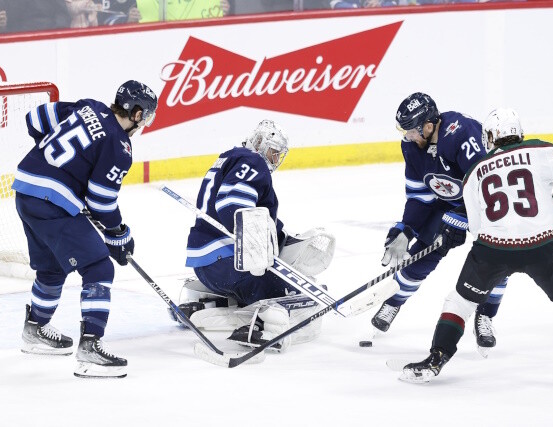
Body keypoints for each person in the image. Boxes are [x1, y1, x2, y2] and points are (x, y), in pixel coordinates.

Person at [399, 108, 553, 383]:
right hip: (543, 246)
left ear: (490, 137)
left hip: (493, 249)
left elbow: (477, 227)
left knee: (459, 303)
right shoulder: (540, 151)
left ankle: (436, 359)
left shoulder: (475, 172)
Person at [12, 80, 158, 378]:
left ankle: (35, 329)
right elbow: (102, 201)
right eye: (148, 115)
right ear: (138, 114)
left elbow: (35, 119)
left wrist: (54, 164)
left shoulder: (89, 106)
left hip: (26, 189)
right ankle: (90, 349)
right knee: (100, 269)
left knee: (52, 268)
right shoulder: (120, 146)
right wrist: (118, 232)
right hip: (52, 201)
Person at [177, 119, 335, 352]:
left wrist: (280, 236)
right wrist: (260, 250)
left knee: (253, 290)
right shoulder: (252, 161)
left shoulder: (230, 157)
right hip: (233, 265)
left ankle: (207, 307)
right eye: (273, 152)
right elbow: (233, 205)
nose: (274, 160)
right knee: (305, 294)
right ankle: (265, 326)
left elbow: (251, 215)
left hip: (207, 267)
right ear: (260, 143)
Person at [371, 92, 508, 355]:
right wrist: (406, 228)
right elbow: (419, 195)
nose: (407, 137)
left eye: (411, 130)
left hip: (488, 200)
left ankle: (486, 315)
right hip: (448, 200)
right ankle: (394, 301)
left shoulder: (461, 133)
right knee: (424, 249)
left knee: (497, 254)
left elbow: (484, 187)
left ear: (429, 125)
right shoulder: (411, 146)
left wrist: (460, 218)